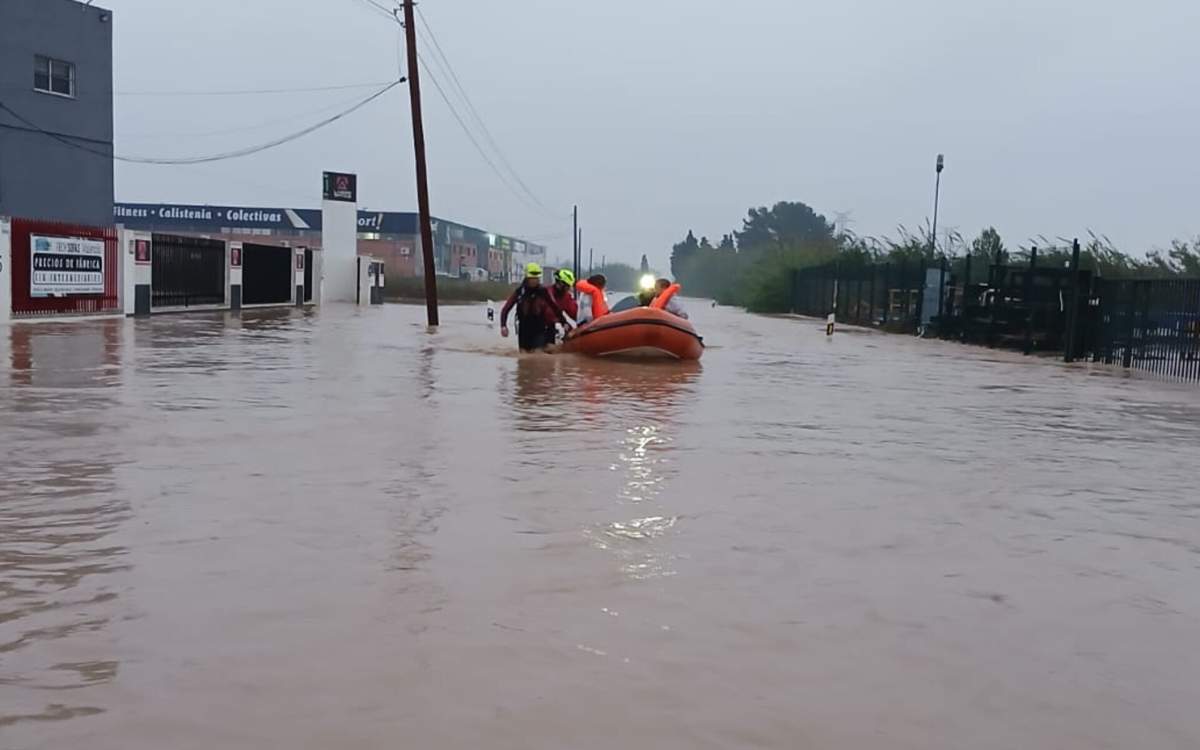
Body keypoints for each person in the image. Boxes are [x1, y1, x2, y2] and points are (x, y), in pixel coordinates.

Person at [499, 263, 571, 351]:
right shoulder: (519, 292)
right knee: (523, 356)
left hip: (539, 329)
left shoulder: (543, 292)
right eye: (532, 278)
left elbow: (554, 307)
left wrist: (564, 322)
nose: (535, 281)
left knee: (537, 354)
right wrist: (503, 326)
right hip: (523, 329)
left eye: (537, 278)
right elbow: (506, 308)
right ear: (527, 278)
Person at [546, 268, 579, 343]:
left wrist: (584, 321)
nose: (569, 289)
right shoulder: (546, 293)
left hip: (555, 326)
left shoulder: (566, 297)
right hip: (541, 327)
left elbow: (574, 312)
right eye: (567, 286)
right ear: (560, 284)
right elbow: (548, 314)